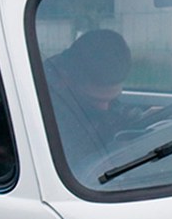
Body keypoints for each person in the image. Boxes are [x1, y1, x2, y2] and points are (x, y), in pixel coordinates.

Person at [44, 29, 133, 170]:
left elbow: (111, 116)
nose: (105, 108)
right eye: (94, 100)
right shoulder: (44, 113)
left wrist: (138, 121)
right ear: (64, 78)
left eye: (112, 99)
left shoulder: (90, 84)